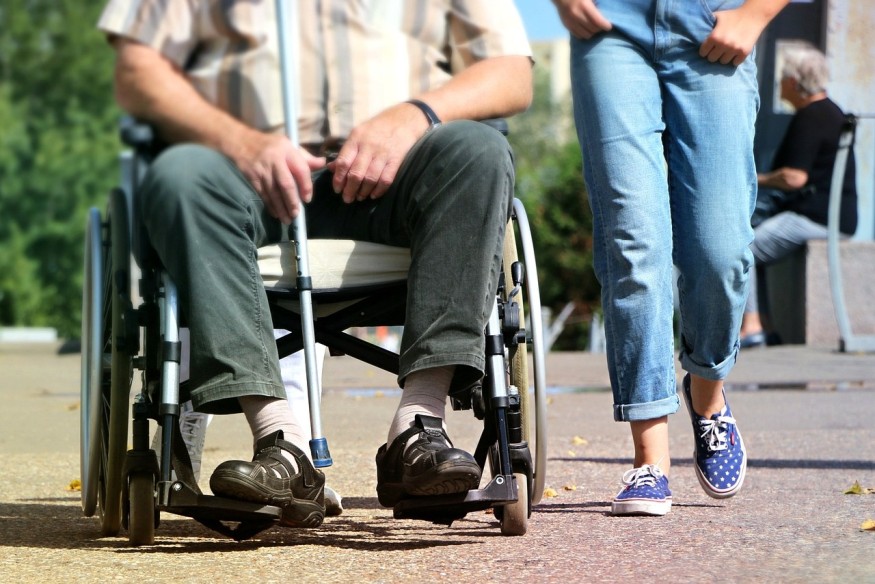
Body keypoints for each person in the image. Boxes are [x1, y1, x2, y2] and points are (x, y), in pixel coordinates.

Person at [97, 1, 532, 528]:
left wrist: (416, 113)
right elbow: (137, 69)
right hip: (241, 173)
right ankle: (280, 444)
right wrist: (239, 138)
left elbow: (510, 72)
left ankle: (420, 425)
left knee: (478, 149)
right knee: (181, 174)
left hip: (399, 175)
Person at [553, 0, 788, 515]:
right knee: (633, 241)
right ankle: (650, 461)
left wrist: (757, 13)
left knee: (719, 247)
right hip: (611, 26)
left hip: (713, 22)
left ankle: (707, 394)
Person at [740, 41, 858, 348]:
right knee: (755, 246)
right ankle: (764, 325)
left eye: (782, 80)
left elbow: (794, 178)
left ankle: (752, 325)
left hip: (815, 217)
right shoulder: (830, 112)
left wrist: (753, 178)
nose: (779, 86)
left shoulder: (812, 116)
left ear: (793, 82)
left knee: (745, 247)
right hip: (831, 216)